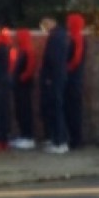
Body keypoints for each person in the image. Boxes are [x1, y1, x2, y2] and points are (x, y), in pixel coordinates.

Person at [39, 17, 69, 154]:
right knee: (57, 108)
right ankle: (59, 140)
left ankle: (59, 142)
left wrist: (49, 77)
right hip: (59, 76)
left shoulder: (55, 37)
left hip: (55, 78)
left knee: (56, 109)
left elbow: (53, 59)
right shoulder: (61, 36)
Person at [11, 29, 37, 150]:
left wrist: (22, 78)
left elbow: (30, 68)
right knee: (20, 110)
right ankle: (23, 135)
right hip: (19, 85)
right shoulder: (21, 50)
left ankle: (28, 136)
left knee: (25, 110)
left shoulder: (28, 50)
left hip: (24, 85)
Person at [64, 13, 87, 150]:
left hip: (73, 79)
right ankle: (75, 138)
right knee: (73, 109)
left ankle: (76, 139)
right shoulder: (76, 38)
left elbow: (76, 59)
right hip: (75, 78)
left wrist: (67, 69)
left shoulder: (77, 38)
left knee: (73, 109)